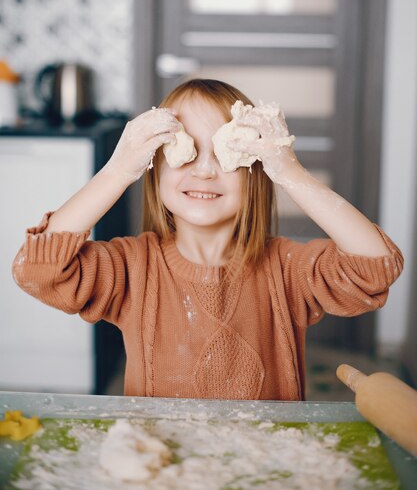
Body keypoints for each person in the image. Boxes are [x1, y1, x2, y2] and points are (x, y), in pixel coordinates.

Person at [12, 79, 403, 400]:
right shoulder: (132, 269)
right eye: (186, 151)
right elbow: (37, 271)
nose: (203, 170)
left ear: (256, 172)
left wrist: (290, 172)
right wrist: (116, 171)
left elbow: (375, 267)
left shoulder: (287, 269)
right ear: (154, 168)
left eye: (224, 153)